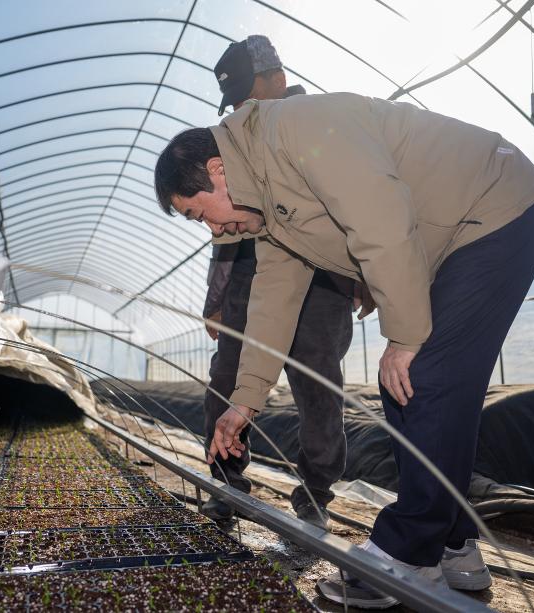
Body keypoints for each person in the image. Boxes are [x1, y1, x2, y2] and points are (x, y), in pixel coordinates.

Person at [153, 92, 534, 608]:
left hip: (494, 209)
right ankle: (452, 548)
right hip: (453, 240)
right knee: (406, 389)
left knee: (424, 376)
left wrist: (404, 338)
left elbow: (380, 220)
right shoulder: (270, 217)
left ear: (216, 170)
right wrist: (244, 401)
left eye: (197, 213)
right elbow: (273, 306)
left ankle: (405, 555)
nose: (211, 229)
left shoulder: (297, 131)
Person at [199, 36, 368, 530]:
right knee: (227, 377)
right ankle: (226, 480)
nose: (244, 107)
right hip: (250, 278)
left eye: (250, 93)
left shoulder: (314, 123)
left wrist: (364, 276)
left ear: (278, 77)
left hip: (322, 280)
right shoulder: (237, 142)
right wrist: (216, 300)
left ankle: (316, 490)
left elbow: (354, 203)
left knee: (316, 381)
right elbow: (223, 231)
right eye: (235, 102)